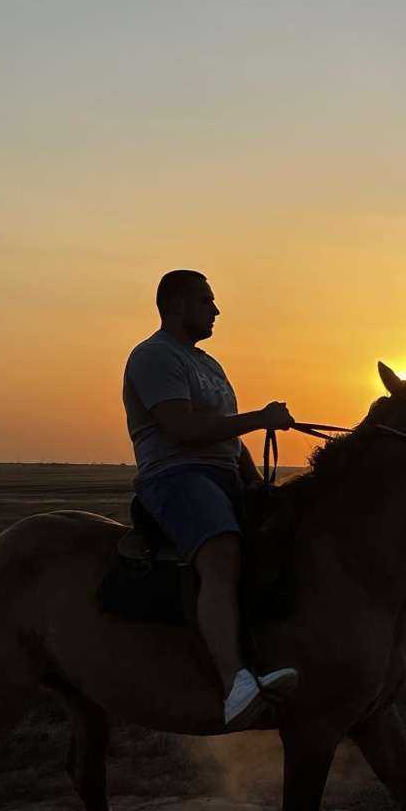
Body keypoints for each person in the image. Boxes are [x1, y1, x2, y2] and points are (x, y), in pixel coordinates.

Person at [122, 269, 297, 728]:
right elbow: (182, 429)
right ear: (177, 304)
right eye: (206, 300)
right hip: (176, 475)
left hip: (223, 473)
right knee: (221, 550)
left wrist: (256, 483)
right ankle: (234, 684)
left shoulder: (209, 365)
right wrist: (259, 418)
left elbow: (227, 437)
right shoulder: (153, 356)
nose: (216, 310)